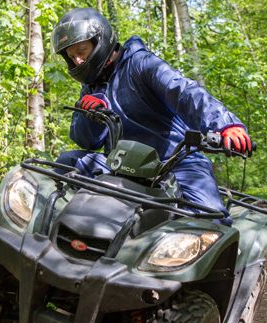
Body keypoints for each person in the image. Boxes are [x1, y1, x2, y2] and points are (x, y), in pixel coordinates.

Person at [51, 8, 251, 224]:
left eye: (82, 51)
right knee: (66, 163)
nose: (78, 61)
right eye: (72, 56)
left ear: (100, 41)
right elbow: (85, 141)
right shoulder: (91, 86)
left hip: (175, 162)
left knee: (212, 220)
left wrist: (225, 125)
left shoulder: (141, 64)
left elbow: (184, 92)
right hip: (121, 166)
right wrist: (89, 116)